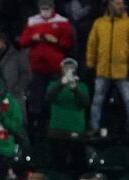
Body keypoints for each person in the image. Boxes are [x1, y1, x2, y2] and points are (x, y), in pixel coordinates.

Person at [18, 0, 75, 136]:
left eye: (47, 8)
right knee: (36, 99)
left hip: (55, 67)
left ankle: (55, 124)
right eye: (42, 8)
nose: (45, 11)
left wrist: (55, 41)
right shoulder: (32, 22)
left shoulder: (62, 22)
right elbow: (22, 41)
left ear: (52, 8)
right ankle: (38, 128)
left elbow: (68, 43)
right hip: (36, 68)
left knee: (54, 96)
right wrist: (34, 37)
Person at [85, 0, 129, 138]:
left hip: (122, 70)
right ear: (110, 5)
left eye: (121, 3)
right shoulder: (99, 23)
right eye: (117, 3)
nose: (120, 6)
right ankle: (94, 126)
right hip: (102, 69)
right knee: (97, 100)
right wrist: (91, 64)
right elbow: (92, 45)